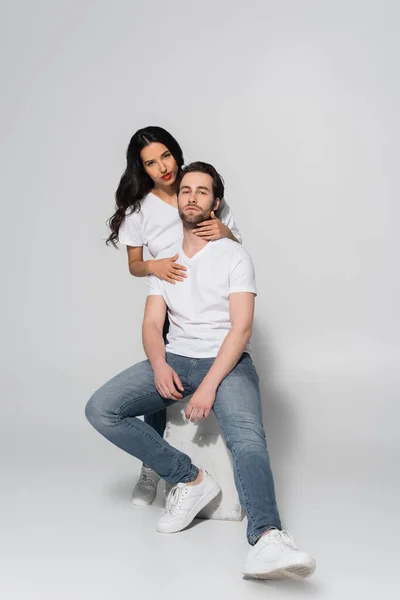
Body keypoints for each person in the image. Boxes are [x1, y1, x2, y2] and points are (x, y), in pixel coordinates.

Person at [86, 161, 316, 579]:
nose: (191, 197)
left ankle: (267, 538)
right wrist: (158, 364)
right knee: (100, 408)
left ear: (216, 202)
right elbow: (152, 324)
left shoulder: (233, 254)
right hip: (175, 359)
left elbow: (241, 328)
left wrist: (209, 385)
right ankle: (189, 479)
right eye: (185, 190)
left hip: (226, 364)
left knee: (248, 436)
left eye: (202, 191)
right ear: (178, 199)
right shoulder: (164, 259)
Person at [107, 126, 242, 505]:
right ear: (142, 168)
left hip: (214, 299)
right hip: (170, 301)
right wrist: (156, 267)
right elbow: (134, 264)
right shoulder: (138, 209)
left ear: (175, 152)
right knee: (159, 383)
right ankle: (154, 466)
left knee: (225, 366)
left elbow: (237, 247)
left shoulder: (197, 187)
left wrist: (225, 231)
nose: (162, 167)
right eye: (151, 163)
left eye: (165, 156)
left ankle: (232, 459)